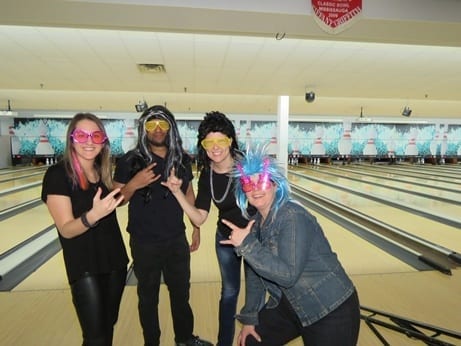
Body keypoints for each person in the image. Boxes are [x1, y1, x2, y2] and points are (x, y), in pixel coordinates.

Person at [220, 148, 361, 346]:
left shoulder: (292, 216)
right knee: (251, 342)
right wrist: (250, 319)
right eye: (247, 183)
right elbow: (255, 277)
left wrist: (247, 245)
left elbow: (288, 275)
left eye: (262, 181)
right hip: (291, 304)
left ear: (276, 185)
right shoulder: (255, 223)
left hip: (329, 308)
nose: (255, 189)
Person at [112, 105, 212, 346]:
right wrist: (134, 183)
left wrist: (195, 227)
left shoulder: (181, 160)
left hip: (176, 239)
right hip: (144, 241)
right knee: (148, 298)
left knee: (181, 294)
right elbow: (116, 201)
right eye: (151, 125)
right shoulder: (130, 160)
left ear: (171, 128)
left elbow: (189, 193)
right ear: (143, 129)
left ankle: (185, 339)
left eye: (163, 125)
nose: (157, 130)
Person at [162, 111, 254, 346]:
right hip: (225, 240)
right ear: (202, 145)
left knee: (256, 295)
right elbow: (200, 217)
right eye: (208, 142)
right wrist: (177, 193)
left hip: (256, 240)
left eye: (220, 140)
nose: (215, 148)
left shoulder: (249, 165)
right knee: (230, 293)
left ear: (230, 140)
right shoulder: (207, 175)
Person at [41, 112, 129, 346]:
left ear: (103, 141)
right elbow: (67, 229)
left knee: (107, 326)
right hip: (84, 265)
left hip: (115, 261)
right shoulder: (57, 175)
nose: (89, 141)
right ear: (71, 139)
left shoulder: (102, 173)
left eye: (96, 135)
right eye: (81, 135)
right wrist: (93, 215)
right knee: (94, 337)